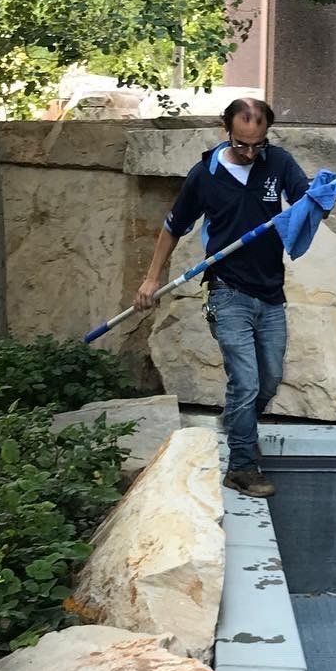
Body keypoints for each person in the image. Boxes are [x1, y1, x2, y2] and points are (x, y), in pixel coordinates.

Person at [134, 98, 310, 498]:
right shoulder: (206, 175)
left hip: (271, 292)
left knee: (269, 379)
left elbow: (306, 200)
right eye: (241, 144)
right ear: (224, 129)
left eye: (258, 144)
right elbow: (172, 227)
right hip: (227, 291)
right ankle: (242, 466)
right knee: (245, 381)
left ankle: (236, 422)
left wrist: (323, 196)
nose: (249, 153)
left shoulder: (278, 162)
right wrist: (151, 279)